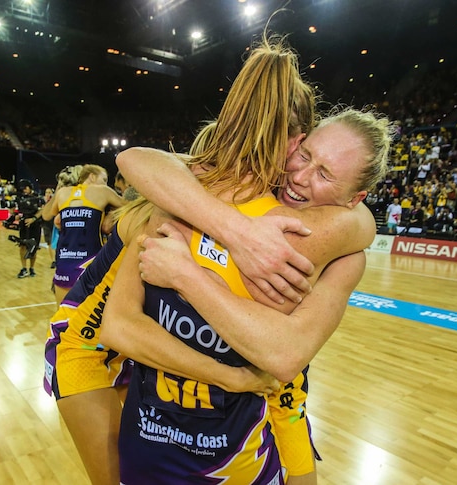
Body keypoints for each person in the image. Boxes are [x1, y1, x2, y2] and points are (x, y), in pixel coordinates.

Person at [43, 38, 320, 485]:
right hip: (85, 346)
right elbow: (121, 328)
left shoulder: (223, 197)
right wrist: (229, 378)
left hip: (136, 351)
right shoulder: (174, 204)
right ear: (294, 143)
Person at [108, 107, 390, 484]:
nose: (301, 177)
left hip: (254, 413)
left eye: (324, 175)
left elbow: (285, 356)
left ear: (356, 198)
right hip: (159, 418)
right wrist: (237, 231)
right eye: (304, 155)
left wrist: (185, 275)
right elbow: (135, 160)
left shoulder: (344, 247)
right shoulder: (228, 187)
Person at [41, 164, 126, 305]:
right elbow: (130, 206)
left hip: (64, 264)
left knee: (63, 318)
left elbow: (46, 215)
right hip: (91, 265)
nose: (106, 184)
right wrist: (111, 214)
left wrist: (58, 191)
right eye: (104, 179)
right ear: (92, 176)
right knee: (92, 320)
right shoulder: (102, 191)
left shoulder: (63, 193)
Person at [12, 179, 44, 278]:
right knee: (22, 245)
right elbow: (13, 210)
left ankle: (32, 268)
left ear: (30, 187)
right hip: (23, 225)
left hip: (35, 225)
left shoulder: (38, 198)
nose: (24, 190)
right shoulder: (19, 198)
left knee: (33, 246)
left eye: (26, 188)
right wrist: (15, 215)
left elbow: (42, 210)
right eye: (23, 189)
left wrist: (33, 219)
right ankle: (24, 268)